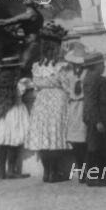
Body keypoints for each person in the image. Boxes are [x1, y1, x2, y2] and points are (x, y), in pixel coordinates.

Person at [25, 22, 70, 183]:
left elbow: (35, 84)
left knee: (44, 136)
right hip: (58, 100)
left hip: (42, 101)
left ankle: (47, 172)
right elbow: (67, 85)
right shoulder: (61, 66)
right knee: (55, 135)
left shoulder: (37, 66)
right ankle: (55, 172)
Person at [0, 56, 31, 179]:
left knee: (4, 143)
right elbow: (28, 86)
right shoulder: (20, 84)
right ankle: (11, 170)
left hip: (3, 113)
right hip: (16, 113)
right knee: (14, 142)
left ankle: (1, 171)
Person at [83, 51, 106, 187]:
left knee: (101, 147)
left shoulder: (92, 77)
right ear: (96, 65)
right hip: (97, 119)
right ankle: (93, 177)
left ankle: (103, 174)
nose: (103, 66)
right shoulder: (94, 79)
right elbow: (91, 101)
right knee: (96, 148)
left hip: (99, 117)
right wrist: (97, 121)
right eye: (102, 64)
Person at [64, 46, 88, 181]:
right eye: (75, 64)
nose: (77, 66)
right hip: (74, 107)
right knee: (76, 142)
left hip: (83, 106)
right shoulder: (68, 75)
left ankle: (85, 170)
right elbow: (67, 90)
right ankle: (80, 170)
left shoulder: (86, 74)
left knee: (84, 140)